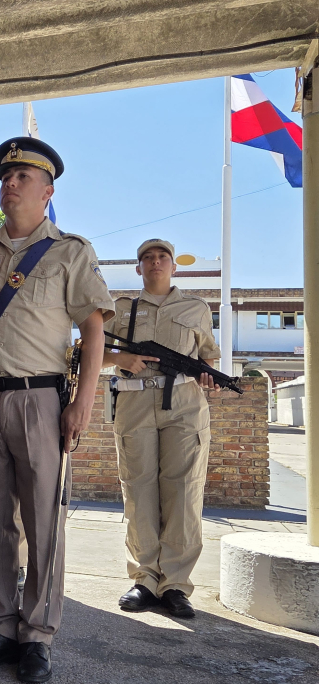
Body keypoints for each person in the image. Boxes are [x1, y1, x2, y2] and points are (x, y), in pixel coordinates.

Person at [0, 137, 114, 684]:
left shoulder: (70, 251)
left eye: (24, 176)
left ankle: (37, 635)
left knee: (43, 522)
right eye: (6, 175)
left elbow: (93, 327)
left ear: (47, 192)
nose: (11, 183)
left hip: (41, 401)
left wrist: (83, 401)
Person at [104, 239, 220, 620]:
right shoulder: (120, 309)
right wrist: (122, 358)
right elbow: (94, 352)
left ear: (174, 266)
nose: (155, 262)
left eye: (162, 257)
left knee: (183, 492)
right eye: (148, 258)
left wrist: (209, 376)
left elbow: (207, 356)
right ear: (138, 268)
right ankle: (143, 579)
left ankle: (174, 585)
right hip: (134, 403)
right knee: (138, 489)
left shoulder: (196, 308)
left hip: (184, 406)